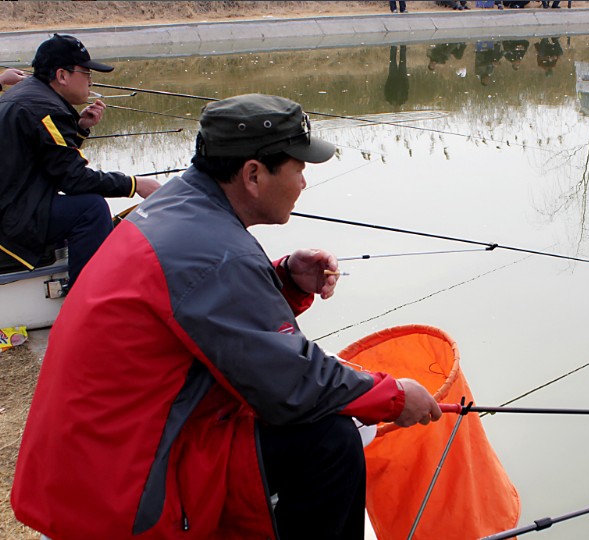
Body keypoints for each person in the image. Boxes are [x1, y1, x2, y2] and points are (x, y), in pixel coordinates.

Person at [11, 93, 444, 539]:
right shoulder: (213, 251)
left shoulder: (180, 208)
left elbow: (210, 317)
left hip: (90, 467)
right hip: (125, 497)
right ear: (253, 174)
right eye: (298, 169)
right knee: (329, 443)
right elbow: (290, 384)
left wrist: (285, 281)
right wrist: (395, 397)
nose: (303, 184)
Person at [0, 34, 160, 287]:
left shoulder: (28, 94)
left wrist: (80, 129)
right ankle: (87, 299)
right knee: (90, 209)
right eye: (86, 74)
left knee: (84, 208)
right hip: (11, 220)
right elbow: (72, 179)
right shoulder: (46, 110)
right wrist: (135, 184)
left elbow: (51, 161)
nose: (90, 81)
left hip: (12, 204)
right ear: (63, 76)